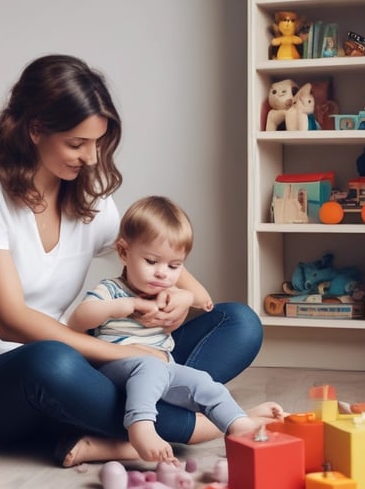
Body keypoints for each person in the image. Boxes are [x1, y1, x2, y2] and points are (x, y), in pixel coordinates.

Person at [0, 54, 265, 467]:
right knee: (51, 358)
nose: (91, 157)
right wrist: (125, 355)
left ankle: (122, 431)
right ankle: (209, 422)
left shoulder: (88, 195)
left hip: (86, 367)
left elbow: (162, 262)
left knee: (239, 323)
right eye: (77, 143)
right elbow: (10, 320)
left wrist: (182, 297)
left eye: (97, 142)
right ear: (35, 129)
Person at [68, 196, 284, 463]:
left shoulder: (168, 292)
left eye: (174, 266)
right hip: (117, 369)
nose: (162, 274)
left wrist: (184, 297)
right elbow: (78, 320)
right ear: (124, 253)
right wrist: (122, 306)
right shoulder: (112, 290)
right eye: (151, 262)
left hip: (164, 367)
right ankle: (141, 426)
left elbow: (204, 302)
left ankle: (237, 423)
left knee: (203, 382)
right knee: (151, 366)